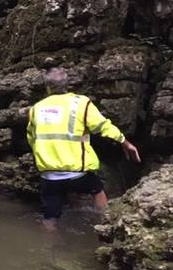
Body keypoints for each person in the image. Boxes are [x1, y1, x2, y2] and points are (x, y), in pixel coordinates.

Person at [26, 67, 141, 230]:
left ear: (47, 87)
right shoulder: (80, 103)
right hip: (77, 173)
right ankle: (106, 226)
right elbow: (103, 126)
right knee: (98, 190)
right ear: (68, 84)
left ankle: (49, 248)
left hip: (49, 175)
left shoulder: (36, 108)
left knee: (50, 218)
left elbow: (31, 138)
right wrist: (125, 142)